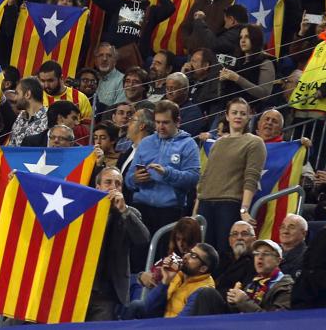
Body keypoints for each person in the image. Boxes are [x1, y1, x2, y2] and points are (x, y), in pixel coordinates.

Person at [195, 98, 266, 253]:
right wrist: (196, 210)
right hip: (205, 203)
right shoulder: (218, 143)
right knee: (203, 253)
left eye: (243, 113)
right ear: (227, 116)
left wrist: (244, 210)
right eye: (234, 113)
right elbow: (205, 177)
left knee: (224, 252)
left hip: (229, 204)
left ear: (249, 117)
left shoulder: (254, 142)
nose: (238, 116)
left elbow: (251, 177)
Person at [125, 101, 201, 238]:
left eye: (165, 122)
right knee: (137, 256)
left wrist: (167, 173)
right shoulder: (146, 142)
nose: (160, 127)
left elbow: (193, 178)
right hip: (141, 208)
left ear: (177, 121)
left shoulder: (188, 144)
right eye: (157, 122)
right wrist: (135, 179)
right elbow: (128, 179)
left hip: (170, 211)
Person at [89, 166, 149, 320]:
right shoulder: (85, 210)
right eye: (108, 182)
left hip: (106, 294)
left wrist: (124, 211)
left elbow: (142, 239)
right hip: (78, 289)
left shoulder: (130, 213)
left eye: (118, 184)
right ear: (98, 187)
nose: (113, 187)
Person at [140, 242, 219, 318]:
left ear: (203, 268)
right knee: (135, 306)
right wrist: (165, 282)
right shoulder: (177, 275)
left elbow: (182, 323)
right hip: (162, 322)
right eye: (189, 252)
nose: (185, 256)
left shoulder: (203, 290)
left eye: (193, 256)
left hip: (173, 326)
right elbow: (147, 309)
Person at [222, 239, 294, 312]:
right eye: (256, 253)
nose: (260, 257)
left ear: (278, 261)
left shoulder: (286, 286)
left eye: (266, 253)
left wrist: (243, 301)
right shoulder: (253, 284)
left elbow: (276, 319)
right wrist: (233, 302)